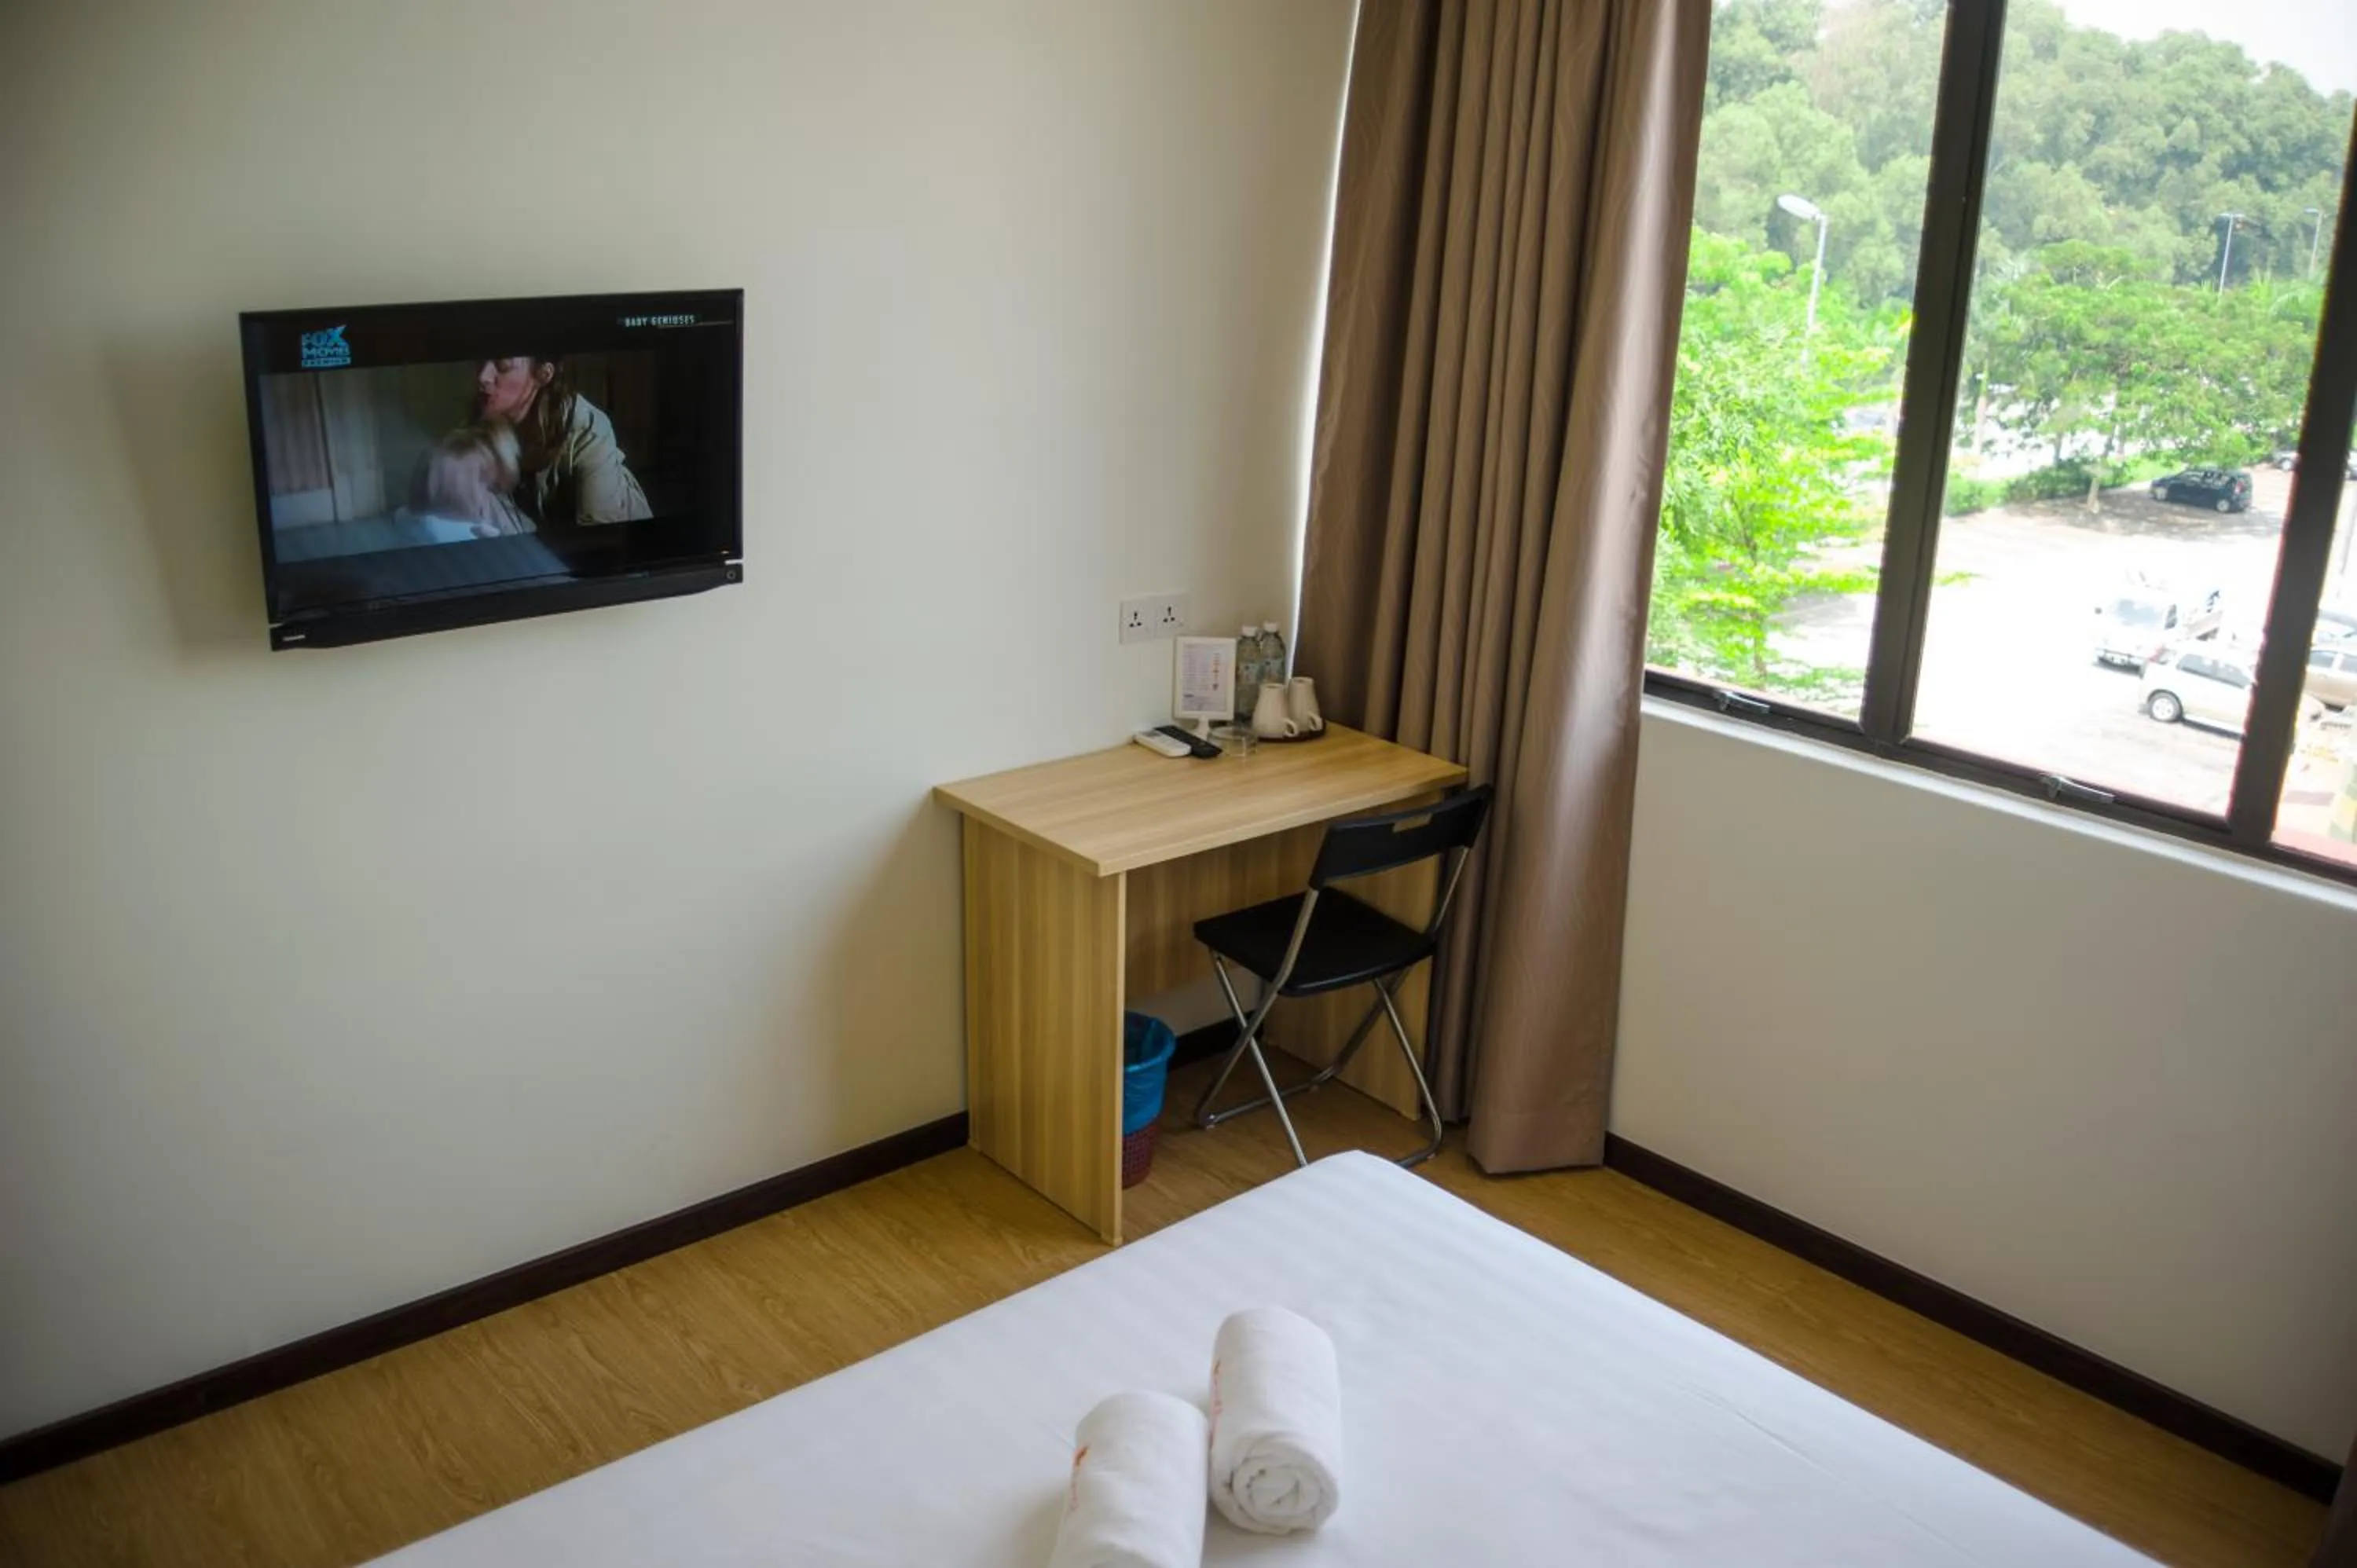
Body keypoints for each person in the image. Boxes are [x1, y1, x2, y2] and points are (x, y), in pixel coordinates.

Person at [472, 357, 653, 527]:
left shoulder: (586, 427)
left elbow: (600, 532)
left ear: (544, 375)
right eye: (481, 361)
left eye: (503, 365)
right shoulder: (482, 431)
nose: (483, 377)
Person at [401, 422, 533, 543]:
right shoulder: (419, 528)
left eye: (492, 487)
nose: (482, 499)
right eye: (479, 480)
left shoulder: (507, 514)